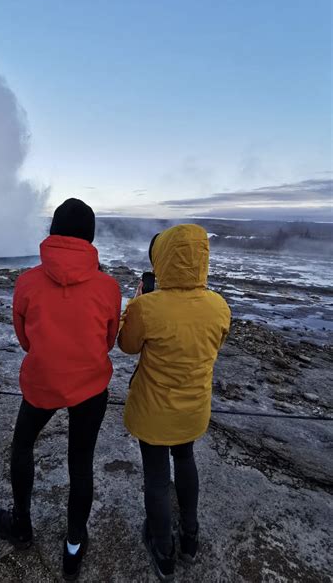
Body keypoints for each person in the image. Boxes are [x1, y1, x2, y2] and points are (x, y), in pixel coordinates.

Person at [0, 198, 121, 581]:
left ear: (53, 232)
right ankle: (73, 548)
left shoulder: (27, 281)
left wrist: (48, 354)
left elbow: (24, 337)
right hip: (90, 385)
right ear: (90, 237)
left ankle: (22, 526)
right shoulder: (108, 286)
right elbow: (110, 339)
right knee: (80, 464)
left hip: (41, 382)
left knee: (22, 447)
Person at [118, 224, 230, 582]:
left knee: (155, 477)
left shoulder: (148, 308)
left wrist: (137, 301)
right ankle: (191, 537)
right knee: (185, 460)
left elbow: (127, 346)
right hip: (193, 407)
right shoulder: (218, 306)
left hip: (154, 411)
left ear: (163, 259)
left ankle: (163, 550)